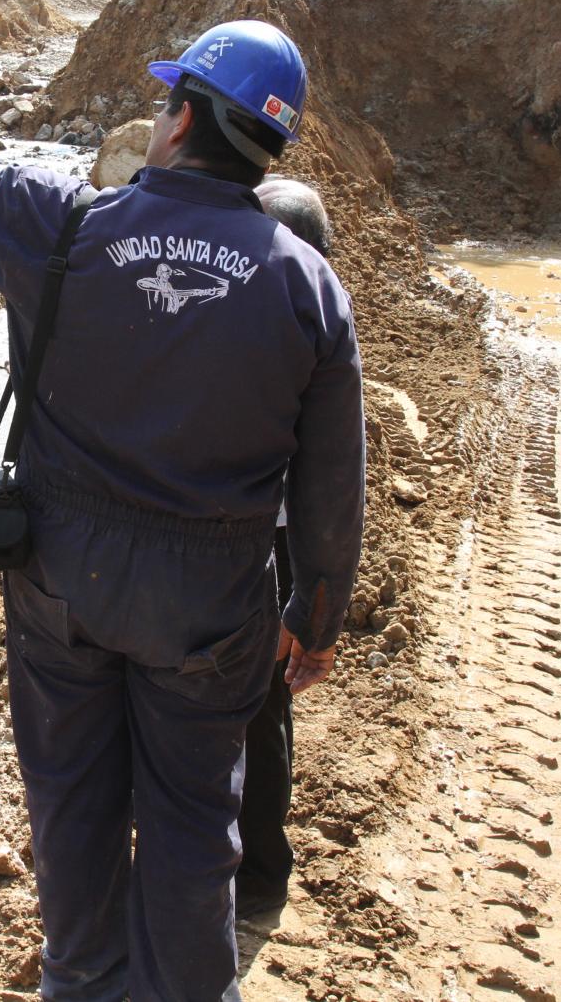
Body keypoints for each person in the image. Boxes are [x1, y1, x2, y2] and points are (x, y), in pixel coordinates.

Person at [0, 20, 366, 1002]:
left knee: (72, 807)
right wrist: (316, 619)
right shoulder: (306, 284)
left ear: (176, 119)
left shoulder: (62, 225)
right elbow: (331, 487)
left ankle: (80, 979)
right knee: (191, 830)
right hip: (211, 606)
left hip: (64, 585)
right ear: (266, 146)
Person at [235, 177, 336, 923]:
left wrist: (309, 607)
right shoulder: (316, 328)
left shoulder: (279, 331)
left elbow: (323, 490)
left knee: (255, 719)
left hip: (260, 548)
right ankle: (258, 873)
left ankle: (260, 876)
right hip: (272, 547)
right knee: (260, 715)